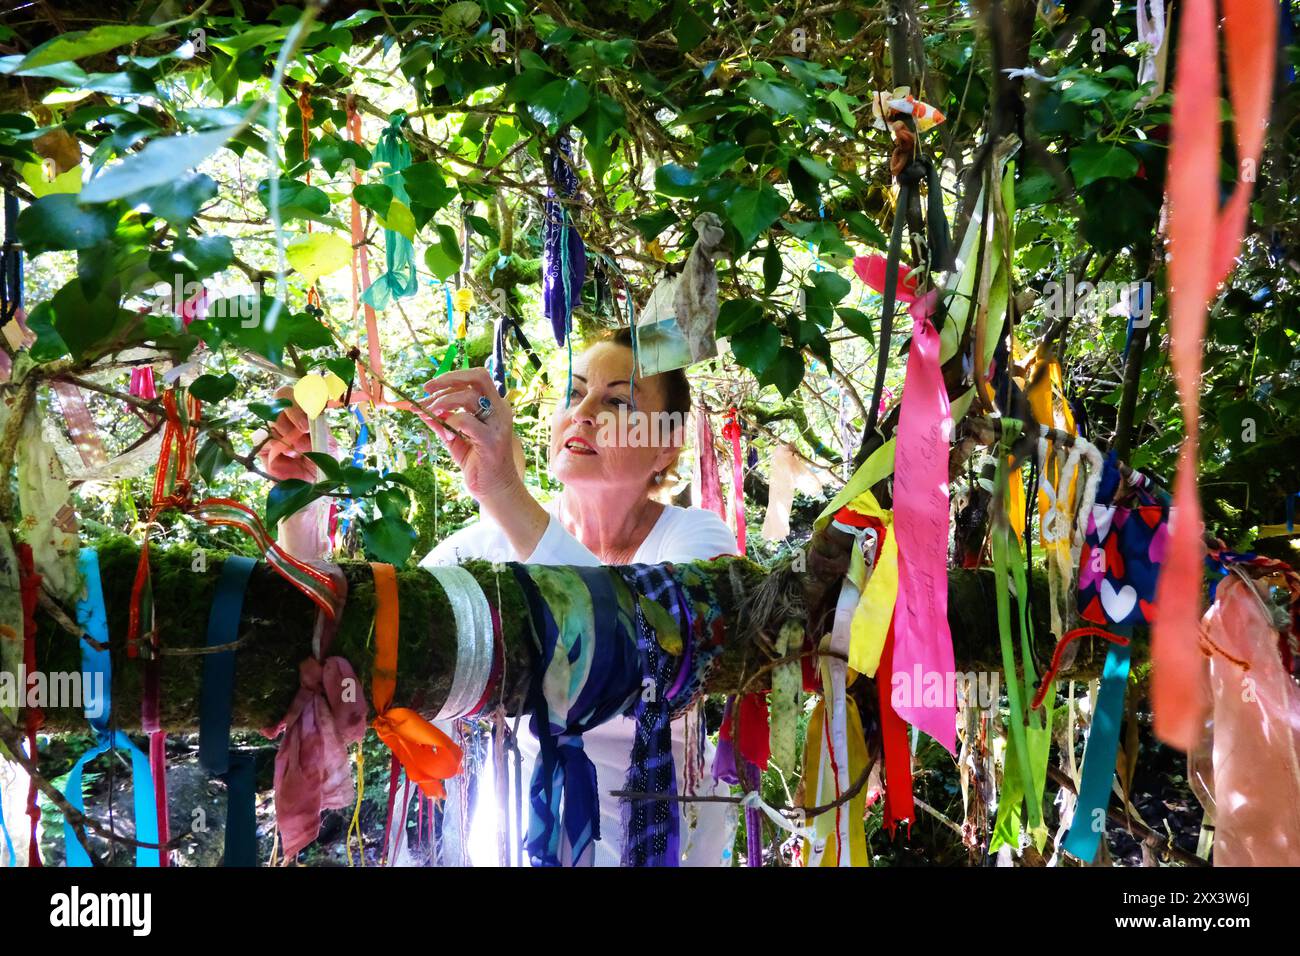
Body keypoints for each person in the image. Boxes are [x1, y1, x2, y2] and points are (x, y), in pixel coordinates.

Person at [260, 327, 740, 866]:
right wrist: (302, 496)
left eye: (617, 401)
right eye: (574, 391)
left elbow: (633, 645)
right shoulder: (488, 545)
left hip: (661, 846)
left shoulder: (697, 539)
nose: (582, 412)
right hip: (517, 844)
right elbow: (347, 637)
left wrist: (505, 491)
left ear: (666, 446)